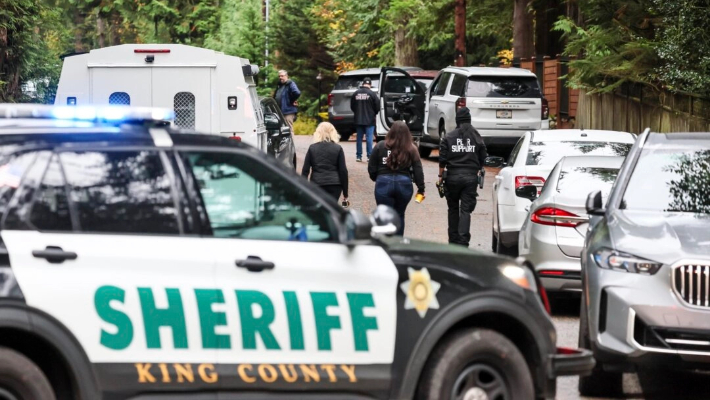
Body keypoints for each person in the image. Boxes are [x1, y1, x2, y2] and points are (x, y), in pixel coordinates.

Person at [438, 107, 488, 247]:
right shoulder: (476, 136)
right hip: (470, 178)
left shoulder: (449, 137)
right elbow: (483, 156)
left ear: (457, 120)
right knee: (465, 210)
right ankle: (463, 241)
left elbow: (442, 159)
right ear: (469, 120)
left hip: (452, 177)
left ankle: (453, 240)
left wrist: (440, 176)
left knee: (453, 208)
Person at [368, 120, 425, 236]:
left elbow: (371, 167)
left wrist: (376, 178)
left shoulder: (380, 146)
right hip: (404, 183)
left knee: (384, 215)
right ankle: (398, 243)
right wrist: (421, 188)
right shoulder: (411, 148)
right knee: (400, 214)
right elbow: (418, 169)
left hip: (383, 182)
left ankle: (385, 243)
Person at [301, 122, 349, 203]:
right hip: (335, 184)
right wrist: (345, 192)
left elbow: (305, 170)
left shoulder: (312, 148)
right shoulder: (338, 148)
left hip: (317, 184)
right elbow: (343, 171)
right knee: (332, 209)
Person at [350, 76, 380, 162]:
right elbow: (377, 107)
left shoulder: (356, 93)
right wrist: (373, 113)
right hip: (369, 120)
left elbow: (352, 106)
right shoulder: (372, 94)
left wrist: (357, 113)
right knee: (369, 138)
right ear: (370, 85)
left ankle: (358, 156)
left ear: (363, 84)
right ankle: (369, 156)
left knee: (359, 138)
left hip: (358, 119)